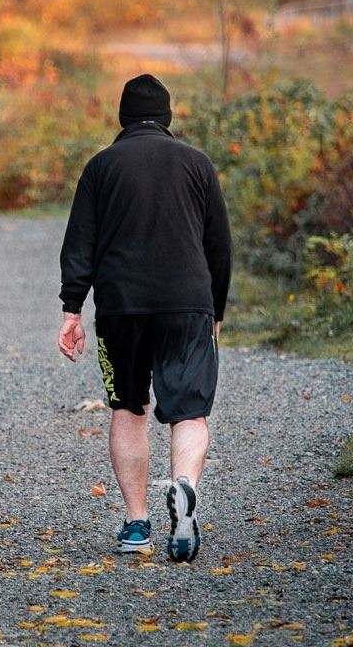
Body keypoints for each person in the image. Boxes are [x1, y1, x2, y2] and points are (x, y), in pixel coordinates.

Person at [57, 73, 233, 562]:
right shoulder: (197, 164)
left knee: (128, 410)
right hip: (187, 304)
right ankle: (183, 488)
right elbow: (219, 246)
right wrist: (214, 309)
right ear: (169, 117)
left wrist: (72, 309)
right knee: (190, 411)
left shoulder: (101, 167)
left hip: (121, 307)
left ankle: (137, 526)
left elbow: (79, 246)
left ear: (122, 118)